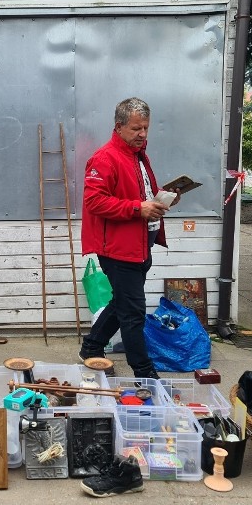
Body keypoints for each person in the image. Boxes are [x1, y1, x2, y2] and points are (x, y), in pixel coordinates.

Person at [78, 97, 179, 379]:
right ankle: (145, 375)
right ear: (119, 126)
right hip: (117, 248)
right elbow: (94, 202)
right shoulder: (104, 158)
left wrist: (162, 200)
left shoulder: (138, 156)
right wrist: (138, 208)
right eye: (136, 129)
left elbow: (141, 195)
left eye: (145, 128)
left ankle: (92, 346)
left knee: (122, 301)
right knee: (133, 313)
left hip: (140, 243)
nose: (142, 134)